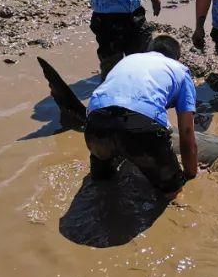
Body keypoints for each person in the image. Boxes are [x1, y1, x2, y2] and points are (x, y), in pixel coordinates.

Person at [84, 35, 198, 199]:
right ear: (176, 58)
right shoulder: (180, 70)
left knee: (101, 185)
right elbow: (186, 130)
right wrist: (190, 174)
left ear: (149, 51)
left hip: (95, 121)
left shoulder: (129, 60)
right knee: (173, 193)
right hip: (140, 126)